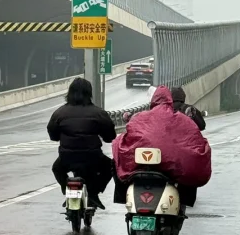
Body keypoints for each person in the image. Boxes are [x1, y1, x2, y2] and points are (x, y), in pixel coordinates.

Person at [113, 85, 211, 208]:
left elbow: (130, 132)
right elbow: (197, 131)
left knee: (115, 161)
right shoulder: (184, 116)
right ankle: (185, 200)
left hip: (146, 163)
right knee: (190, 165)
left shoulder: (143, 116)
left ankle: (121, 196)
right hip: (172, 163)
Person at [46, 76, 116, 209]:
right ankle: (94, 194)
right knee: (111, 167)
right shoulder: (98, 113)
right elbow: (109, 136)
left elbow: (53, 134)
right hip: (93, 158)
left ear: (69, 93)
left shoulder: (59, 113)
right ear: (89, 93)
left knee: (57, 169)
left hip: (67, 158)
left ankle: (67, 189)